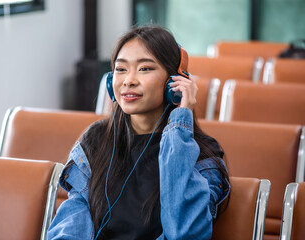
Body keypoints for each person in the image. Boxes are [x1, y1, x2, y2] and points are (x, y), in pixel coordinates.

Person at [47, 25, 230, 240]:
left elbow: (186, 233)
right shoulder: (95, 142)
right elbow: (71, 226)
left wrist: (181, 123)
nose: (129, 80)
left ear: (174, 81)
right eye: (121, 69)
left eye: (145, 69)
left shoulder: (202, 156)